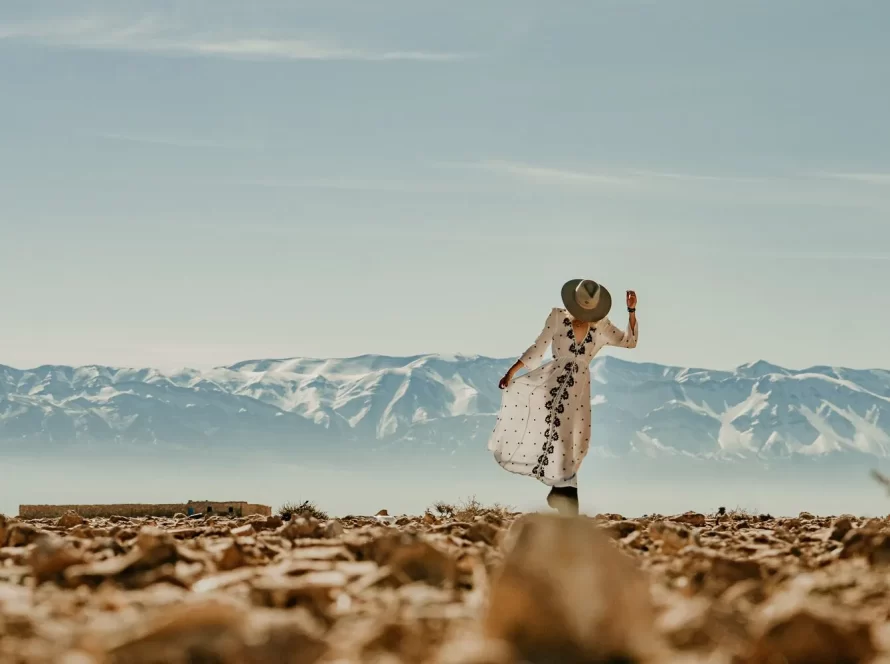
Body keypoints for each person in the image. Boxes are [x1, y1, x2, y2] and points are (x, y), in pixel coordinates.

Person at [489, 279, 639, 516]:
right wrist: (512, 371)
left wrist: (631, 311)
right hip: (554, 383)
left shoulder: (601, 325)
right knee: (564, 438)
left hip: (579, 387)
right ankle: (568, 498)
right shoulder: (557, 317)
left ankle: (560, 491)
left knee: (579, 440)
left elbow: (629, 342)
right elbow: (538, 348)